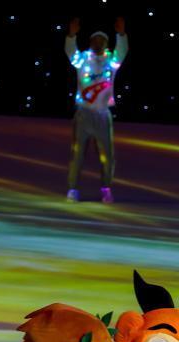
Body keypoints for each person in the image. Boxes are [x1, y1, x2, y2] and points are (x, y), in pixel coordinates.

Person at [65, 17, 127, 204]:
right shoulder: (83, 59)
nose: (98, 43)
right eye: (95, 40)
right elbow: (71, 52)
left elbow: (122, 52)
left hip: (102, 115)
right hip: (84, 114)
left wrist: (121, 34)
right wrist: (71, 35)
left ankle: (106, 189)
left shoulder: (111, 61)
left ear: (106, 43)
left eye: (102, 40)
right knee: (77, 154)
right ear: (91, 42)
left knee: (107, 155)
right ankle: (73, 189)